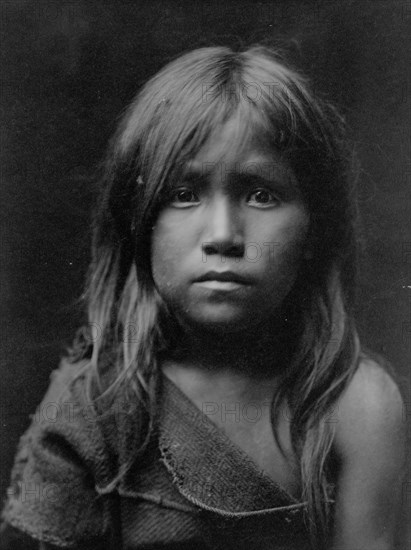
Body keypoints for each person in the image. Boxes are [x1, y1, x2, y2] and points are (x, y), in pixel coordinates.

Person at [0, 46, 405, 550]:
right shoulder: (93, 409)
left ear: (314, 231)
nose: (223, 235)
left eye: (261, 193)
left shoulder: (355, 403)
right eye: (183, 193)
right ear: (139, 224)